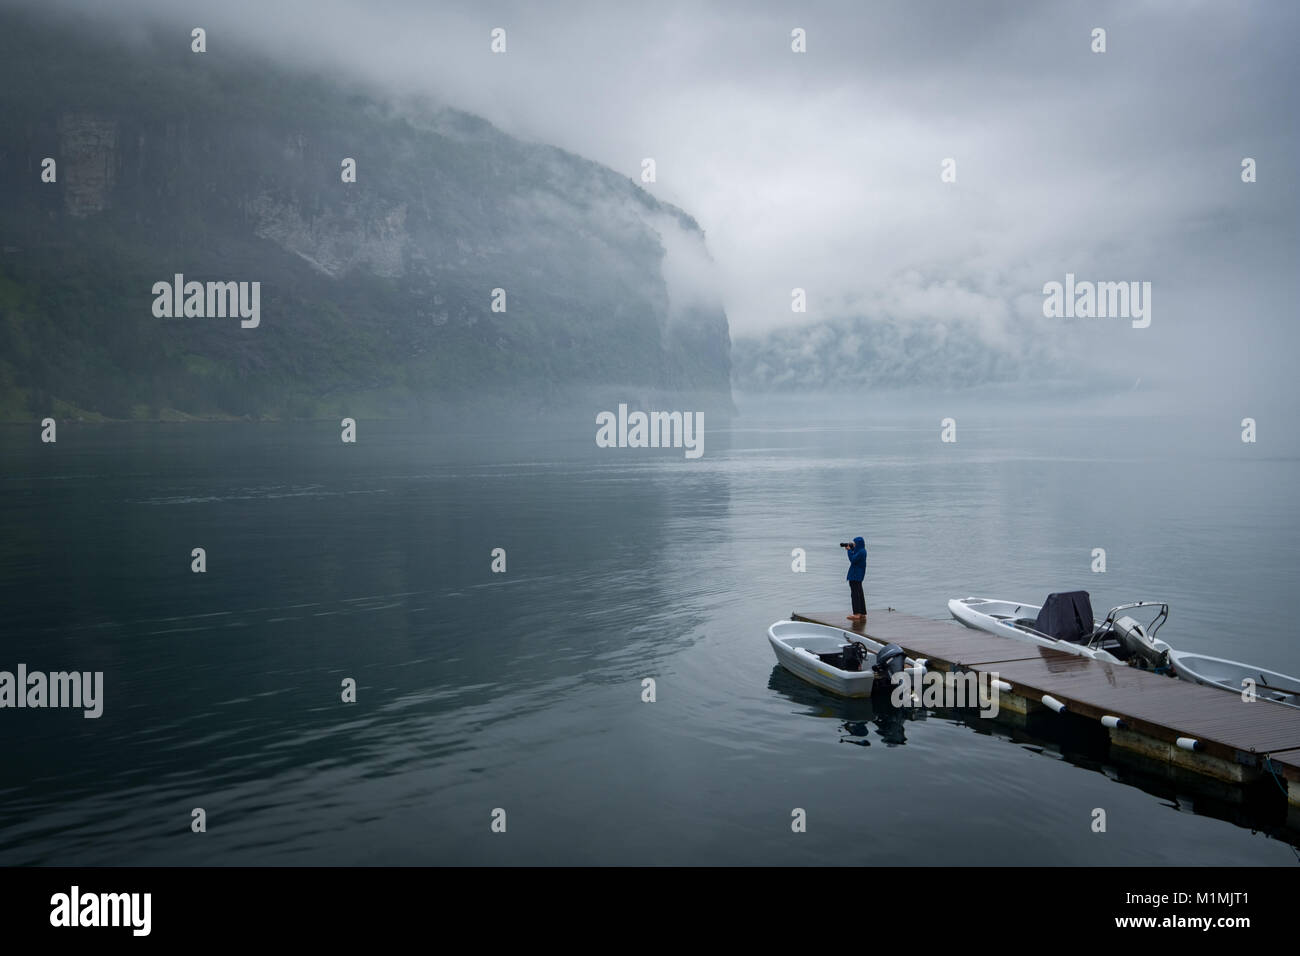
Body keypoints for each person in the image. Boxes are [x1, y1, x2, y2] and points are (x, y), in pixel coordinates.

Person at [843, 536, 867, 621]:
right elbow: (855, 556)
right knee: (859, 593)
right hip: (858, 575)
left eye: (855, 543)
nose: (854, 545)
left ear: (859, 544)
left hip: (855, 575)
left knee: (855, 595)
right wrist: (852, 549)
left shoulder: (860, 552)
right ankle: (862, 613)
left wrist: (849, 550)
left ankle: (856, 614)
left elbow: (852, 559)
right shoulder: (862, 551)